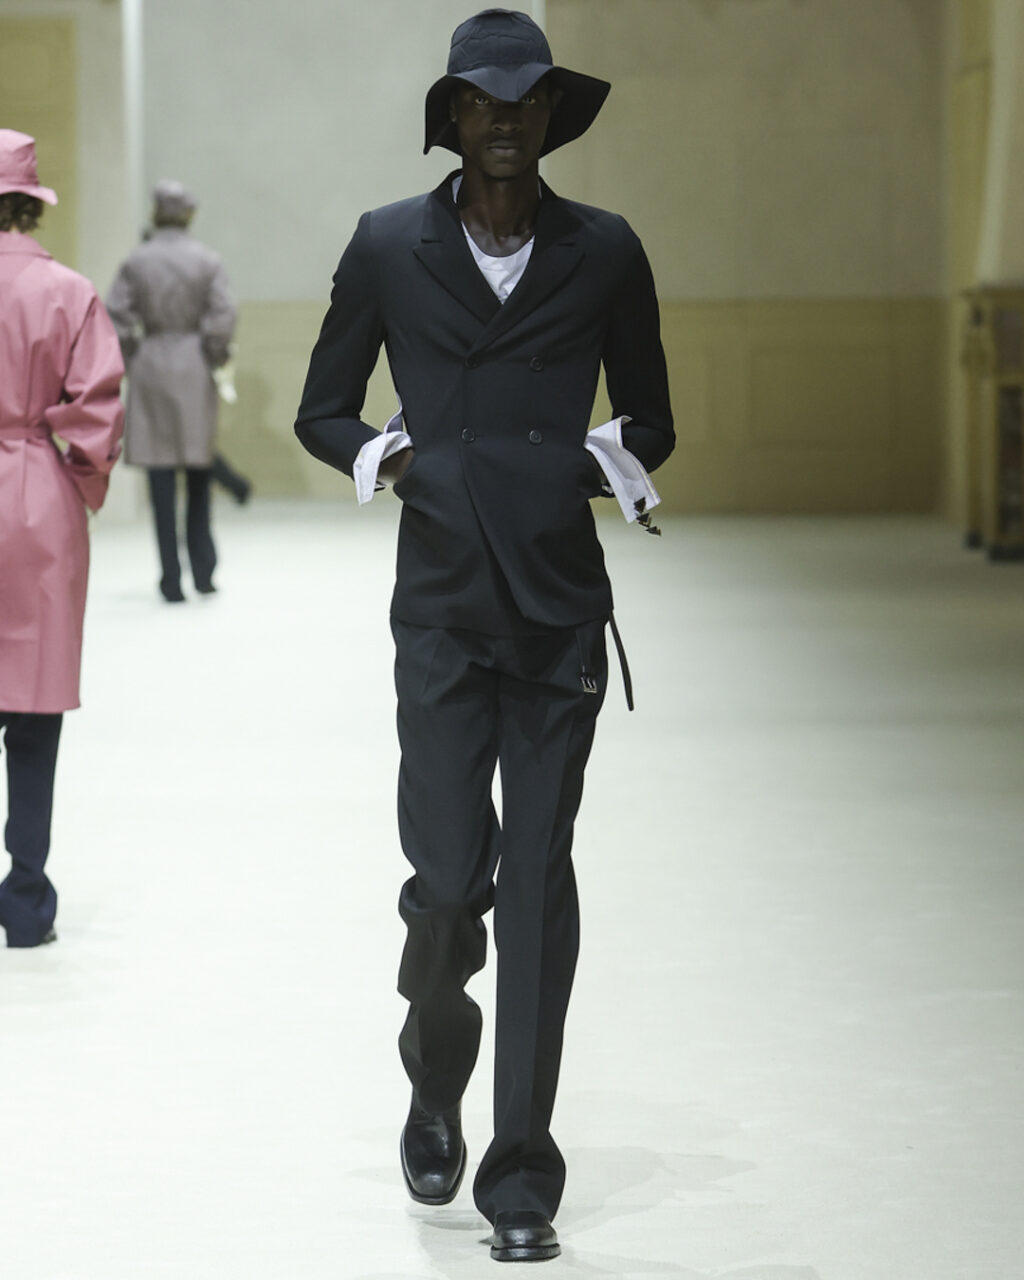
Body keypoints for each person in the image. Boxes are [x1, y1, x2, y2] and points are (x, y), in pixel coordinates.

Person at [295, 8, 674, 1264]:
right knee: (452, 884)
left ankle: (521, 1171)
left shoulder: (604, 250)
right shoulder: (387, 244)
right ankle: (432, 1071)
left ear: (550, 114)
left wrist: (590, 466)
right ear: (452, 115)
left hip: (560, 609)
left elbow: (652, 418)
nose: (504, 119)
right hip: (445, 610)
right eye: (482, 100)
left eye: (526, 99)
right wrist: (397, 460)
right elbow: (322, 410)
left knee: (537, 884)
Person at [0, 129, 124, 947]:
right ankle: (25, 900)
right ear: (30, 202)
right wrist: (74, 478)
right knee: (34, 709)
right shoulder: (69, 292)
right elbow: (97, 413)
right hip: (36, 497)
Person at [106, 181, 237, 602]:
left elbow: (116, 316)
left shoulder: (136, 261)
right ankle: (204, 572)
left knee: (160, 479)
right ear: (189, 215)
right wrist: (214, 355)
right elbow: (222, 315)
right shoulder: (207, 260)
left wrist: (132, 354)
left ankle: (169, 578)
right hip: (194, 365)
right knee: (198, 473)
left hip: (150, 366)